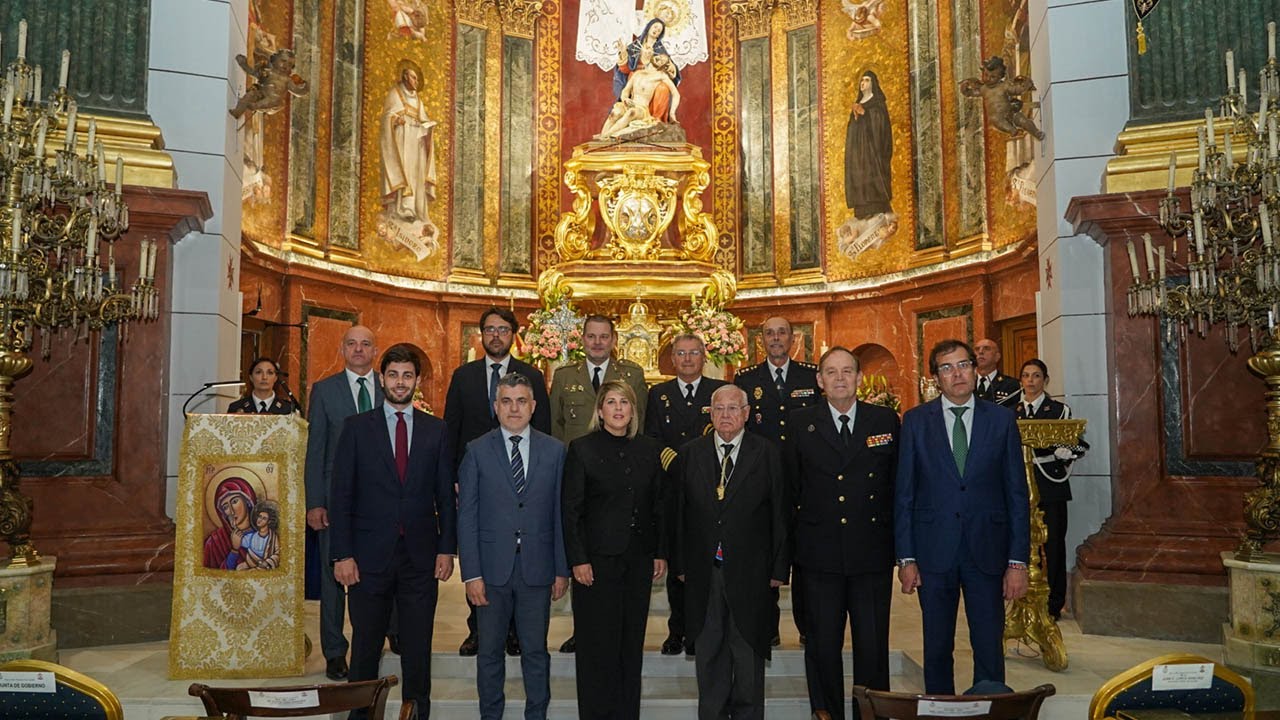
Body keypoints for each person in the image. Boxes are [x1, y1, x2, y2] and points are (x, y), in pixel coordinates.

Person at [895, 339, 1030, 695]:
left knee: (988, 644)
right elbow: (905, 495)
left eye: (964, 364)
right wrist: (906, 557)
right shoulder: (915, 422)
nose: (957, 374)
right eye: (947, 367)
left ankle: (990, 710)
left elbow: (1017, 494)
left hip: (988, 551)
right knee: (937, 647)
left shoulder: (1001, 420)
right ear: (935, 377)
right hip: (933, 551)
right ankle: (940, 710)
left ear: (975, 368)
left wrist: (1018, 561)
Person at [329, 344, 457, 720]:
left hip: (420, 557)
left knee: (418, 650)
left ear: (417, 381)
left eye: (407, 375)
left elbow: (445, 497)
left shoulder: (437, 430)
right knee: (366, 647)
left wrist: (446, 549)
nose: (400, 382)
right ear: (381, 378)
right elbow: (341, 497)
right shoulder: (355, 429)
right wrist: (342, 555)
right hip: (367, 558)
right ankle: (360, 716)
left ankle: (418, 714)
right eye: (393, 375)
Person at [786, 347, 899, 720]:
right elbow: (791, 491)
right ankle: (827, 713)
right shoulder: (801, 423)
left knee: (871, 646)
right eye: (831, 372)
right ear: (819, 381)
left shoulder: (884, 421)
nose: (839, 378)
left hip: (870, 553)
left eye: (847, 371)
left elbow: (897, 487)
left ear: (859, 378)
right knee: (822, 646)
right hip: (819, 555)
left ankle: (871, 713)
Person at [672, 384, 790, 720]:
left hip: (752, 570)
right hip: (703, 570)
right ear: (710, 413)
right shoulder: (690, 453)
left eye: (733, 408)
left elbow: (780, 513)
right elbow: (678, 513)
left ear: (747, 413)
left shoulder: (766, 453)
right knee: (709, 652)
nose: (726, 415)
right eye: (719, 409)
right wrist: (680, 563)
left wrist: (779, 568)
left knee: (747, 653)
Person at [457, 374, 570, 720]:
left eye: (521, 401)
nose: (514, 408)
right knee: (490, 652)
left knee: (536, 651)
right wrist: (471, 573)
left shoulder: (555, 451)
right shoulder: (476, 451)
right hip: (491, 571)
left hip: (537, 569)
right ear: (496, 407)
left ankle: (536, 714)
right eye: (506, 401)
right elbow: (468, 517)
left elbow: (560, 514)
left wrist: (561, 568)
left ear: (533, 407)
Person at [444, 306, 551, 657]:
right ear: (481, 334)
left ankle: (516, 633)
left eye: (503, 330)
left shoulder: (531, 375)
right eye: (489, 329)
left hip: (522, 483)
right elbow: (451, 432)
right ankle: (478, 630)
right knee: (481, 549)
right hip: (477, 482)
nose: (495, 335)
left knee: (517, 559)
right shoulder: (464, 376)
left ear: (513, 335)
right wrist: (455, 479)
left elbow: (544, 430)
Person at [562, 380, 667, 719]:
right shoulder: (582, 449)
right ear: (600, 410)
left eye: (625, 402)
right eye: (611, 402)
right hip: (595, 564)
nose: (619, 408)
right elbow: (572, 510)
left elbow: (659, 507)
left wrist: (660, 551)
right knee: (596, 648)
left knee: (629, 646)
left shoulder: (650, 449)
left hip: (637, 562)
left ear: (633, 411)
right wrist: (578, 559)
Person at [549, 314, 648, 653]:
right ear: (583, 338)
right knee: (582, 545)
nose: (597, 342)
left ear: (613, 339)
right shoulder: (565, 377)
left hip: (619, 479)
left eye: (604, 336)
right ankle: (582, 628)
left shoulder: (632, 375)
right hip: (580, 475)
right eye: (591, 336)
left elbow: (641, 425)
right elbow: (557, 427)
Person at [734, 315, 821, 646]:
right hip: (761, 481)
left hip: (805, 481)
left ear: (792, 338)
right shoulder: (746, 379)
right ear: (761, 340)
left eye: (781, 333)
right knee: (763, 555)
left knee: (803, 557)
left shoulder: (811, 377)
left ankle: (807, 626)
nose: (775, 338)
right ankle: (767, 627)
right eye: (769, 333)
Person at [304, 324, 383, 681]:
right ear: (342, 349)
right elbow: (315, 450)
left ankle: (377, 638)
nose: (359, 350)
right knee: (333, 578)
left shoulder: (392, 386)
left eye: (366, 344)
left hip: (380, 501)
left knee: (378, 574)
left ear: (374, 350)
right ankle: (335, 651)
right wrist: (315, 502)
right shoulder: (324, 391)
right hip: (334, 501)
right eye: (352, 344)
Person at [645, 334, 726, 656]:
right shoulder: (658, 394)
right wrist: (678, 465)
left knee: (706, 563)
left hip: (711, 490)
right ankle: (676, 630)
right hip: (672, 488)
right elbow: (651, 437)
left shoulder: (716, 393)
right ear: (672, 359)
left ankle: (700, 630)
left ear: (704, 357)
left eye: (694, 353)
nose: (688, 358)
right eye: (681, 353)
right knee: (678, 563)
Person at [1015, 358, 1087, 622]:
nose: (1030, 381)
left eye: (1036, 376)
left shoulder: (1059, 410)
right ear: (1021, 380)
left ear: (1045, 380)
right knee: (1020, 542)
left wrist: (1066, 453)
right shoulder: (1013, 411)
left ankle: (1054, 603)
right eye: (1026, 375)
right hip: (1020, 485)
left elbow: (1080, 445)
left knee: (1054, 543)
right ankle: (1021, 596)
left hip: (1051, 484)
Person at [379, 59, 438, 226]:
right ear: (405, 77)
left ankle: (416, 209)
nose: (416, 82)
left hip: (416, 143)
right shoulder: (395, 94)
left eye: (417, 79)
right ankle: (401, 209)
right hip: (401, 141)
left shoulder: (419, 101)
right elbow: (387, 117)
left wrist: (428, 128)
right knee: (404, 171)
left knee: (415, 175)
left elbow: (423, 119)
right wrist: (395, 121)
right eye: (413, 78)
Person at [843, 70, 893, 219]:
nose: (863, 83)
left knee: (873, 178)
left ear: (873, 83)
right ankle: (862, 211)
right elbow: (852, 130)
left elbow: (882, 126)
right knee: (859, 176)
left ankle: (878, 210)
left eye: (867, 80)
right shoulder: (858, 103)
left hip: (873, 151)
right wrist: (856, 117)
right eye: (862, 81)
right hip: (859, 152)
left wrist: (866, 114)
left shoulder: (878, 103)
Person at [598, 54, 681, 138]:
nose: (659, 58)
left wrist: (672, 113)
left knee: (631, 113)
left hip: (642, 109)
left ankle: (605, 137)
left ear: (663, 66)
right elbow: (626, 90)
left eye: (662, 60)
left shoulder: (661, 76)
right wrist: (625, 99)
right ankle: (601, 139)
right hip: (629, 104)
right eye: (659, 57)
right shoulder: (638, 73)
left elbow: (676, 94)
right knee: (615, 113)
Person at [613, 18, 682, 101]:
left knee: (662, 89)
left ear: (659, 35)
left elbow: (669, 66)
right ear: (649, 27)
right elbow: (625, 69)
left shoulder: (660, 49)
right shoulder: (636, 45)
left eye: (659, 30)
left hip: (653, 77)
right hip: (637, 75)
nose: (656, 30)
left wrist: (671, 68)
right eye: (655, 27)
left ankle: (657, 114)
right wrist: (623, 53)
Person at [203, 476, 258, 570]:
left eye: (234, 501)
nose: (231, 511)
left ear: (247, 501)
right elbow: (214, 575)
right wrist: (234, 550)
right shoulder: (215, 542)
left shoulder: (265, 533)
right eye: (225, 507)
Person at [227, 357, 295, 414]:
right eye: (258, 372)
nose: (264, 377)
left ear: (275, 378)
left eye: (270, 373)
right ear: (251, 377)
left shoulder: (288, 409)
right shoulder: (236, 407)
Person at [973, 338, 1021, 406]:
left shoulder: (1010, 384)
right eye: (977, 349)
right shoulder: (966, 383)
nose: (980, 352)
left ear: (997, 357)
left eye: (986, 348)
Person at [238, 501, 280, 570]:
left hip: (266, 567)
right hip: (251, 564)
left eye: (264, 518)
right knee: (239, 568)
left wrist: (267, 562)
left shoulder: (273, 538)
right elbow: (238, 541)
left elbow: (278, 554)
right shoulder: (250, 537)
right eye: (259, 517)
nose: (259, 520)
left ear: (269, 521)